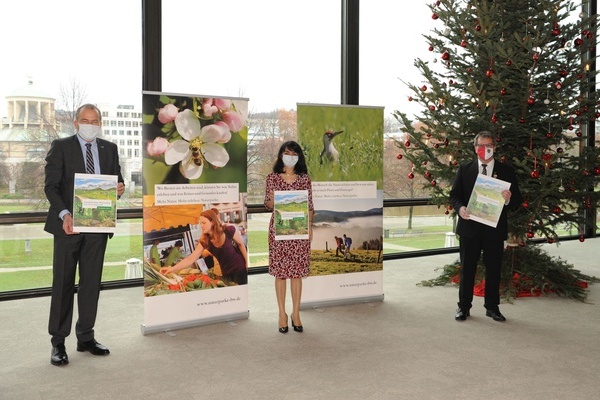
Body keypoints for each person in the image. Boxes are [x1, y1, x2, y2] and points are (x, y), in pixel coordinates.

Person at [44, 103, 125, 366]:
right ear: (76, 123)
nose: (90, 124)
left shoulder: (109, 149)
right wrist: (65, 214)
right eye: (85, 120)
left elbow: (116, 181)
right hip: (69, 227)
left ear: (99, 123)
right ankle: (58, 342)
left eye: (95, 120)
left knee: (91, 284)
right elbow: (51, 188)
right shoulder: (61, 146)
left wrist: (119, 188)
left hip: (98, 228)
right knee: (64, 284)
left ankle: (86, 337)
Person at [449, 131, 522, 322]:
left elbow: (517, 202)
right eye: (480, 146)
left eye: (489, 146)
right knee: (467, 269)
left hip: (494, 230)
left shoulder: (506, 171)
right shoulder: (465, 169)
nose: (484, 149)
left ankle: (492, 307)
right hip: (469, 228)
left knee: (494, 269)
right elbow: (454, 196)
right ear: (475, 149)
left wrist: (508, 199)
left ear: (494, 148)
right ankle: (463, 307)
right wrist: (461, 208)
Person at [264, 141, 314, 334]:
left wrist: (310, 227)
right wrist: (274, 199)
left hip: (299, 230)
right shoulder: (272, 178)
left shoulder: (305, 179)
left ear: (299, 157)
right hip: (279, 229)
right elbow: (267, 203)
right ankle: (282, 314)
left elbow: (310, 206)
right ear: (281, 155)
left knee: (297, 273)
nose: (290, 156)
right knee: (281, 273)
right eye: (287, 153)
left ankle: (296, 314)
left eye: (294, 153)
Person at [161, 209, 248, 285]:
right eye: (200, 223)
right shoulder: (205, 241)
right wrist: (171, 269)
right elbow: (190, 259)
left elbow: (241, 244)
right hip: (226, 274)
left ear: (212, 222)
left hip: (239, 269)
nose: (201, 226)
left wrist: (247, 262)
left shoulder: (228, 230)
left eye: (204, 223)